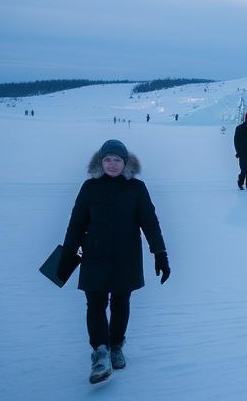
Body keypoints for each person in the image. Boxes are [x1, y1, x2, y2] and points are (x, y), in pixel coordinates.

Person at [58, 139, 170, 384]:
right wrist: (68, 252)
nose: (111, 164)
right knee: (95, 303)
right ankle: (100, 353)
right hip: (94, 254)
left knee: (121, 302)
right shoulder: (90, 187)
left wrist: (160, 253)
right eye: (107, 159)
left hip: (125, 256)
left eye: (116, 160)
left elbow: (150, 223)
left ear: (125, 162)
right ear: (100, 162)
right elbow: (76, 223)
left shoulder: (136, 188)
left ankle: (116, 345)